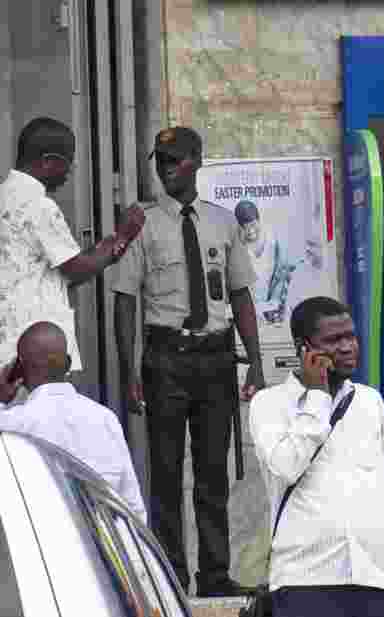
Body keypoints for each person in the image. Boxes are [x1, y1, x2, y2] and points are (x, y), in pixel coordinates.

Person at [112, 126, 265, 597]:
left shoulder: (222, 223)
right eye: (160, 160)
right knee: (164, 475)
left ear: (196, 161)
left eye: (175, 160)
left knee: (212, 477)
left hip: (216, 359)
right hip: (165, 360)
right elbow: (124, 300)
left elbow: (239, 294)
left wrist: (255, 362)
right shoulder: (143, 222)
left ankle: (215, 576)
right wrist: (129, 369)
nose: (165, 168)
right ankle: (170, 576)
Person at [249, 296, 384, 617]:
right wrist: (316, 397)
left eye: (350, 336)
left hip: (375, 578)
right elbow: (286, 466)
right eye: (333, 340)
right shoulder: (269, 404)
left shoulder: (370, 402)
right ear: (304, 348)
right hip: (305, 580)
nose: (347, 347)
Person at [0, 117, 145, 377]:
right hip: (35, 352)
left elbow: (55, 270)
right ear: (48, 161)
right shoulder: (38, 205)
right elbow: (77, 268)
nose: (70, 171)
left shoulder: (5, 197)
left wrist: (103, 246)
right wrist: (123, 237)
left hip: (7, 345)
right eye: (67, 161)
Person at [0, 322, 146, 521]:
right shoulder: (105, 419)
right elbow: (134, 508)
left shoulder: (14, 423)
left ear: (20, 370)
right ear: (68, 364)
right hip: (105, 547)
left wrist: (1, 399)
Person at [235, 200, 295, 325]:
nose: (250, 231)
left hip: (271, 311)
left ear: (258, 220)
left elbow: (283, 277)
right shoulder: (236, 248)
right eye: (244, 227)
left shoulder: (274, 243)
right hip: (246, 312)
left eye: (252, 224)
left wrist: (275, 306)